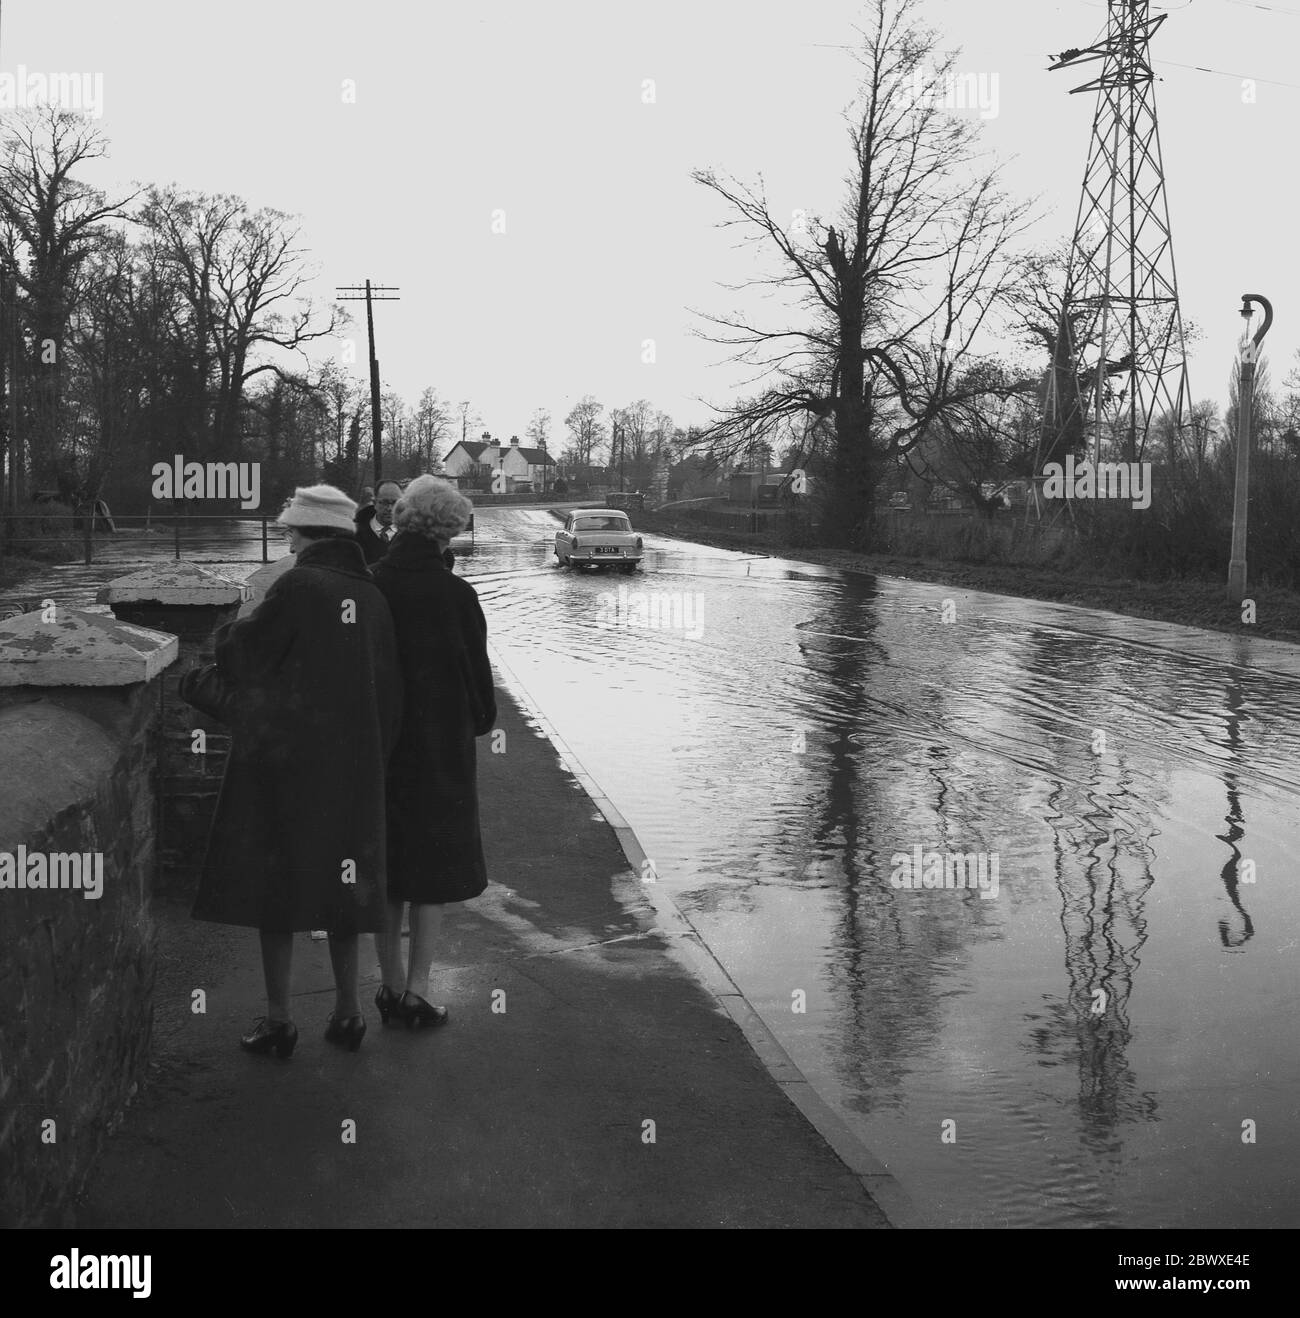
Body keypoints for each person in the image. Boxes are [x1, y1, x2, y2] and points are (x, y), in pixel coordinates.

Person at [183, 484, 402, 1057]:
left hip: (286, 766)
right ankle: (349, 1013)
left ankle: (280, 1021)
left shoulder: (300, 584)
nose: (288, 541)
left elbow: (240, 654)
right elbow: (390, 692)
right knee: (345, 893)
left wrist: (234, 627)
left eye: (290, 533)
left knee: (275, 889)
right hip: (354, 769)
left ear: (306, 535)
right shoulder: (371, 594)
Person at [370, 476, 495, 1028]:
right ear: (450, 532)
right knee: (432, 873)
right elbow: (479, 691)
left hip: (377, 750)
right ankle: (418, 992)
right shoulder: (456, 596)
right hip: (438, 753)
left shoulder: (370, 585)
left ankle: (388, 986)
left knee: (385, 867)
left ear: (400, 520)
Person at [355, 479, 402, 564]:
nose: (390, 508)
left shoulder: (411, 535)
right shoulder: (356, 534)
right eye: (384, 502)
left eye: (395, 503)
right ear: (374, 502)